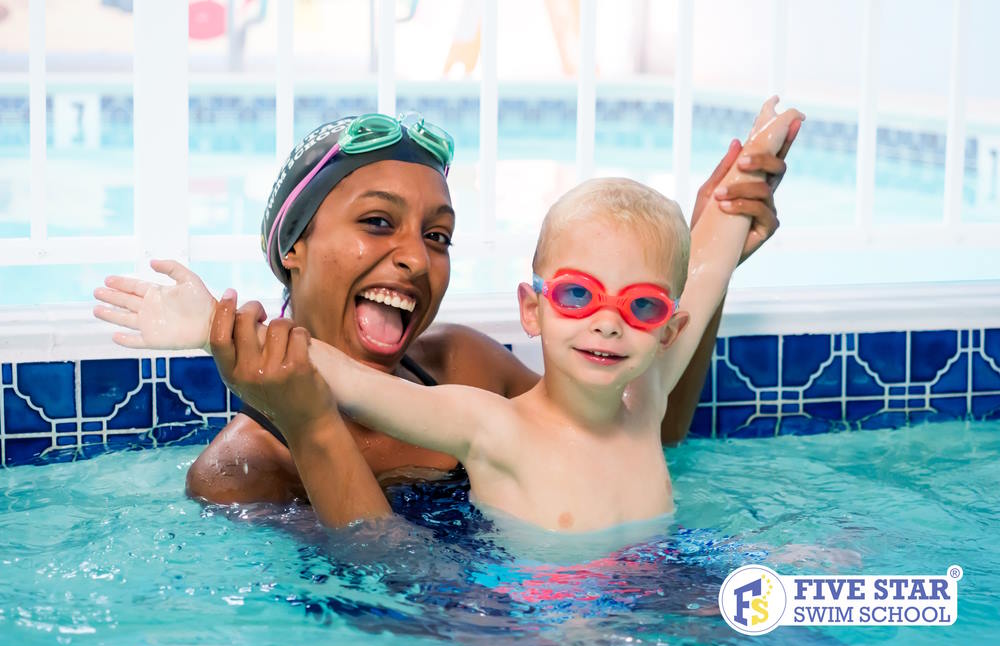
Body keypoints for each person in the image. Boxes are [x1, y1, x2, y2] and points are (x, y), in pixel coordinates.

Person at [95, 98, 803, 532]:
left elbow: (631, 424)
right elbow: (384, 595)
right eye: (378, 222)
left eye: (437, 235)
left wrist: (705, 244)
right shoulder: (243, 467)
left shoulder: (462, 365)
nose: (413, 258)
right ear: (294, 245)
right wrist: (308, 419)